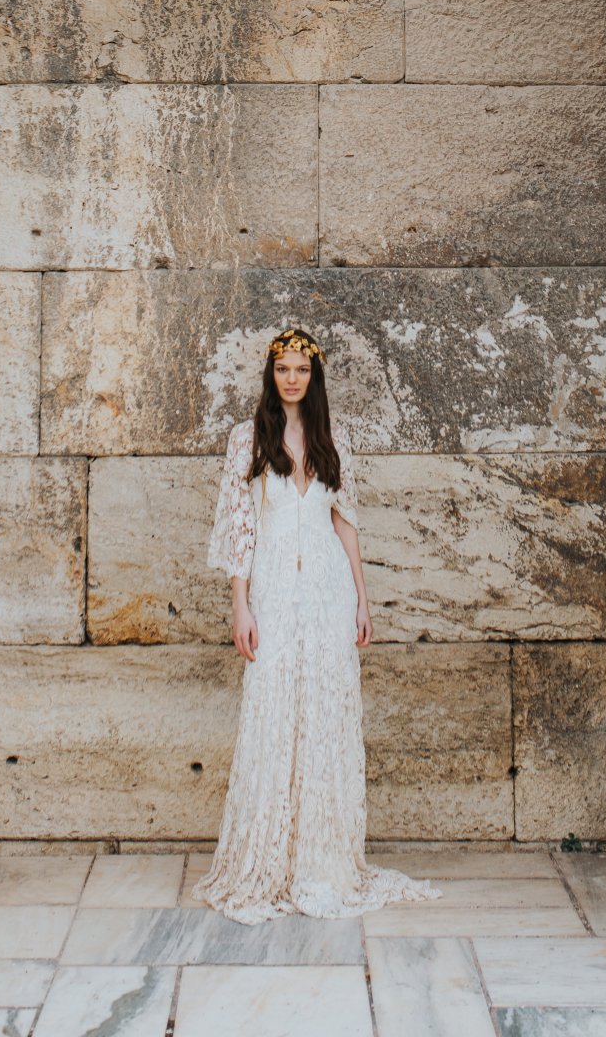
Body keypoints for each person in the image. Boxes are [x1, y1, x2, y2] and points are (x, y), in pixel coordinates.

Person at [194, 326, 440, 923]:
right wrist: (240, 604)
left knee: (324, 715)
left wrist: (361, 597)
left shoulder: (335, 438)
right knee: (275, 709)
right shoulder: (246, 439)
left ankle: (322, 860)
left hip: (328, 590)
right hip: (275, 589)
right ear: (271, 374)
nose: (292, 378)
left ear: (315, 375)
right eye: (284, 369)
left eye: (302, 369)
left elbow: (345, 520)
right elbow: (240, 530)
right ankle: (269, 860)